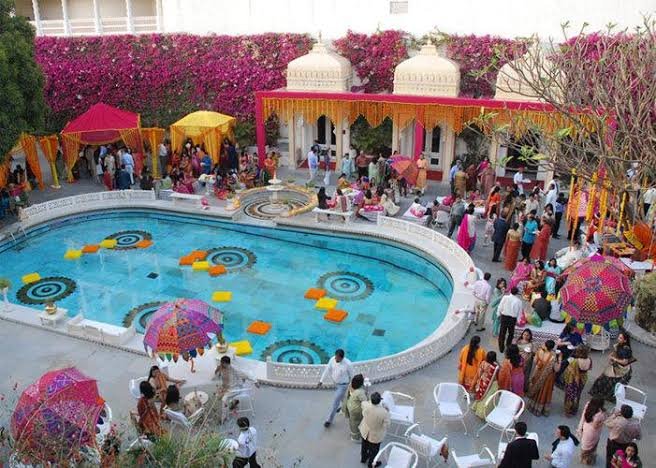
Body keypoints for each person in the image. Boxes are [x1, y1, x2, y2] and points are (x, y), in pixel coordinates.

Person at [589, 331, 635, 402]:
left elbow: (625, 362)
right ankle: (600, 394)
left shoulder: (626, 349)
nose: (618, 339)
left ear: (625, 340)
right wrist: (611, 355)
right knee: (604, 378)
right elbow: (615, 352)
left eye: (620, 338)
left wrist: (614, 359)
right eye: (619, 337)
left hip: (622, 370)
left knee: (614, 383)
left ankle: (608, 396)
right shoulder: (619, 345)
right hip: (615, 366)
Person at [319, 349, 353, 428]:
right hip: (335, 383)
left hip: (343, 386)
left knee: (335, 402)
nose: (336, 359)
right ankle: (345, 407)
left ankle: (329, 420)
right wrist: (321, 381)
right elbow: (327, 370)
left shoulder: (348, 364)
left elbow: (352, 376)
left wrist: (352, 387)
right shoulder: (332, 359)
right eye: (335, 357)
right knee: (343, 399)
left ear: (342, 358)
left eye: (338, 358)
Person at [526, 340, 559, 416]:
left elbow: (535, 361)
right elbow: (556, 369)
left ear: (545, 345)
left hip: (538, 372)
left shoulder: (539, 351)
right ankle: (539, 409)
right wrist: (560, 359)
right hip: (547, 377)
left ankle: (532, 405)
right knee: (543, 391)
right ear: (552, 348)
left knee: (536, 388)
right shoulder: (553, 357)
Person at [359, 392, 390, 467]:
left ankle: (363, 458)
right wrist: (387, 410)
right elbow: (386, 425)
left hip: (365, 431)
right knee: (374, 451)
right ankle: (371, 464)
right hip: (375, 435)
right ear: (379, 401)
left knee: (364, 446)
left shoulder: (366, 405)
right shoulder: (384, 412)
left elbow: (363, 403)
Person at [563, 346, 593, 416]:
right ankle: (575, 409)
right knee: (578, 394)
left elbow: (571, 371)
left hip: (573, 380)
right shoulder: (590, 360)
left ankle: (568, 410)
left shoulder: (575, 361)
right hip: (583, 378)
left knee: (570, 395)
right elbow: (589, 368)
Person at [576, 398, 607, 465]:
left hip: (586, 428)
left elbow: (583, 416)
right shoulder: (600, 414)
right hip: (593, 432)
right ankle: (588, 460)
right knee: (591, 447)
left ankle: (583, 458)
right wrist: (604, 422)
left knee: (585, 445)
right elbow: (595, 426)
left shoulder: (588, 405)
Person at [471, 351, 499, 419]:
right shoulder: (496, 367)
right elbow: (497, 376)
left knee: (481, 395)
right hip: (492, 384)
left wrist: (482, 378)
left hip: (483, 382)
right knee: (488, 398)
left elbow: (479, 373)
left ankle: (477, 408)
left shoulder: (483, 363)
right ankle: (483, 413)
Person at [497, 287, 522, 353]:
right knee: (511, 333)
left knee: (502, 333)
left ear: (510, 291)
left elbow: (500, 306)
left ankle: (501, 348)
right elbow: (519, 313)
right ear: (517, 293)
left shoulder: (505, 297)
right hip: (512, 319)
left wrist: (498, 314)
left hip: (504, 317)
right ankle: (508, 346)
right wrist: (518, 320)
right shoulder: (519, 301)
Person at [343, 374, 367, 442]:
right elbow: (365, 401)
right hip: (356, 409)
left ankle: (353, 434)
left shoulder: (351, 385)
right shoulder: (360, 392)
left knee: (352, 422)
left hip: (350, 405)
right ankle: (356, 438)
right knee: (357, 423)